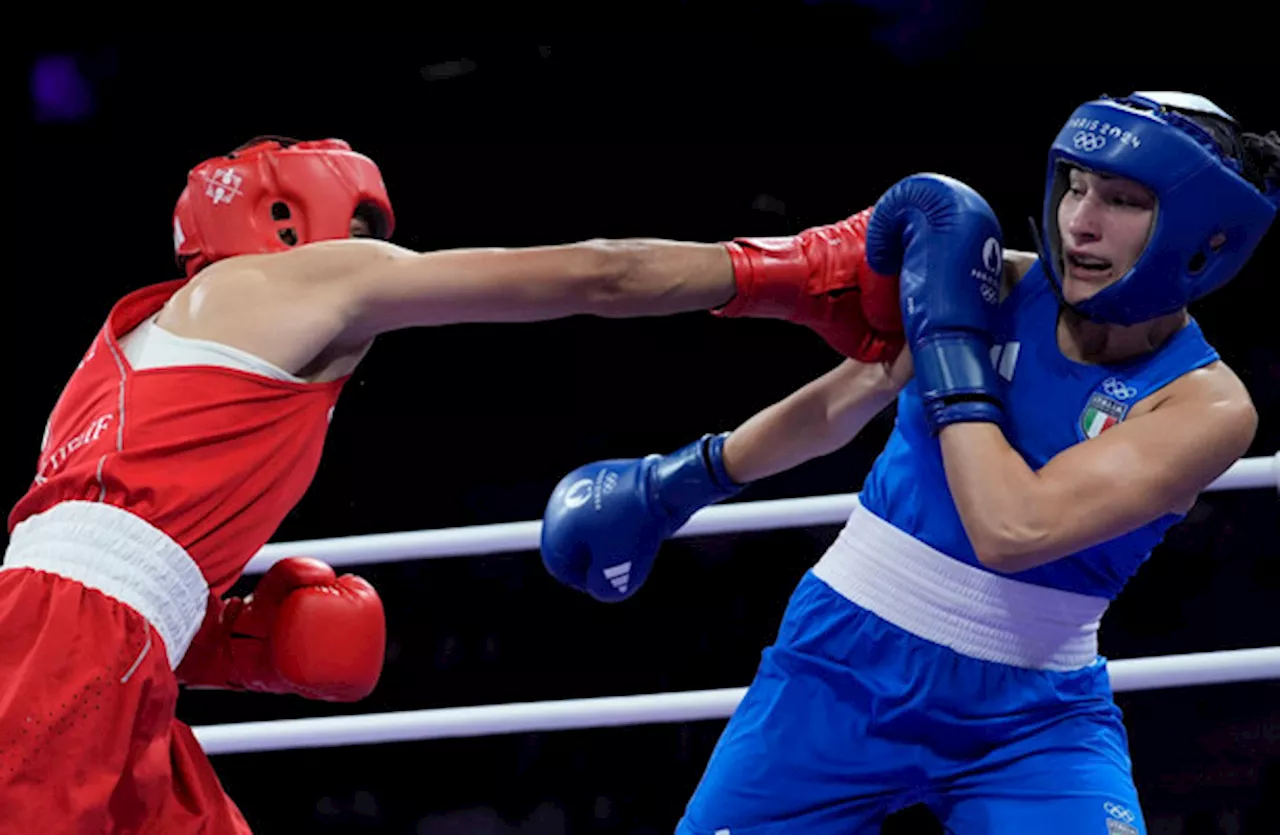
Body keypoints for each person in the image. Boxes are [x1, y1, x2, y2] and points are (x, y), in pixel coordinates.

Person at [0, 134, 907, 833]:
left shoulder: (120, 360)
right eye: (360, 231)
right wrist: (796, 270)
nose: (375, 253)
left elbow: (84, 583)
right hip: (80, 653)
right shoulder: (299, 279)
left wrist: (241, 645)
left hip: (108, 659)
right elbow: (601, 271)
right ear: (288, 222)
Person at [539, 91, 1280, 832]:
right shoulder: (999, 283)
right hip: (839, 664)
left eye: (1121, 200)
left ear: (1200, 233)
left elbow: (1014, 528)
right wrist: (682, 479)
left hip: (1032, 719)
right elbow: (844, 402)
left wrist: (952, 351)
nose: (1080, 222)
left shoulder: (1205, 407)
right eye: (1076, 188)